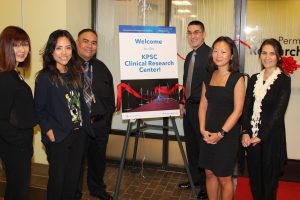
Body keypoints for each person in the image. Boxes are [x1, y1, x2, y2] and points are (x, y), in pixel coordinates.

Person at [34, 29, 93, 200]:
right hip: (58, 136)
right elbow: (39, 109)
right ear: (51, 51)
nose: (64, 53)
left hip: (78, 134)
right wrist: (49, 131)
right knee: (57, 181)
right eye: (59, 48)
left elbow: (80, 102)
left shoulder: (75, 73)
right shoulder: (45, 77)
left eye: (68, 48)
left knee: (72, 181)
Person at [241, 38, 291, 200]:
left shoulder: (284, 80)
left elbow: (278, 113)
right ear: (260, 55)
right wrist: (245, 132)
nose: (267, 57)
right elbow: (246, 107)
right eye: (264, 53)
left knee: (269, 185)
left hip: (271, 139)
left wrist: (260, 136)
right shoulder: (254, 78)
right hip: (252, 138)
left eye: (272, 53)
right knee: (255, 181)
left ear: (278, 57)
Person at [198, 36, 245, 200]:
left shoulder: (237, 78)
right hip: (207, 133)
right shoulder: (209, 75)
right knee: (209, 173)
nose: (218, 55)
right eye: (215, 51)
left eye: (223, 51)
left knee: (224, 177)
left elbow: (238, 111)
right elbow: (203, 105)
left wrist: (221, 134)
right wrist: (202, 129)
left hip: (226, 135)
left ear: (231, 55)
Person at [76, 29, 115, 200]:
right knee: (76, 163)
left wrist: (105, 122)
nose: (90, 46)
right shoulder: (66, 68)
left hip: (99, 125)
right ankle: (74, 192)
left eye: (94, 42)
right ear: (77, 43)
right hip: (77, 126)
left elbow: (110, 99)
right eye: (85, 41)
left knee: (98, 161)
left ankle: (97, 188)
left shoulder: (102, 68)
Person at [0, 26, 35, 200]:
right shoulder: (5, 77)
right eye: (16, 45)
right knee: (17, 191)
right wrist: (20, 141)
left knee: (16, 188)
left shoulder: (14, 73)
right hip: (14, 147)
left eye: (25, 44)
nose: (22, 49)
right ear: (6, 47)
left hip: (20, 146)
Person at [179, 20, 210, 199]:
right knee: (191, 146)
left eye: (196, 32)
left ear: (203, 34)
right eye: (190, 32)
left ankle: (207, 186)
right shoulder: (190, 56)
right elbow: (186, 82)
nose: (193, 36)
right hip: (189, 108)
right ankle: (195, 179)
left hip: (202, 109)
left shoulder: (211, 55)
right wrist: (182, 102)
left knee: (203, 147)